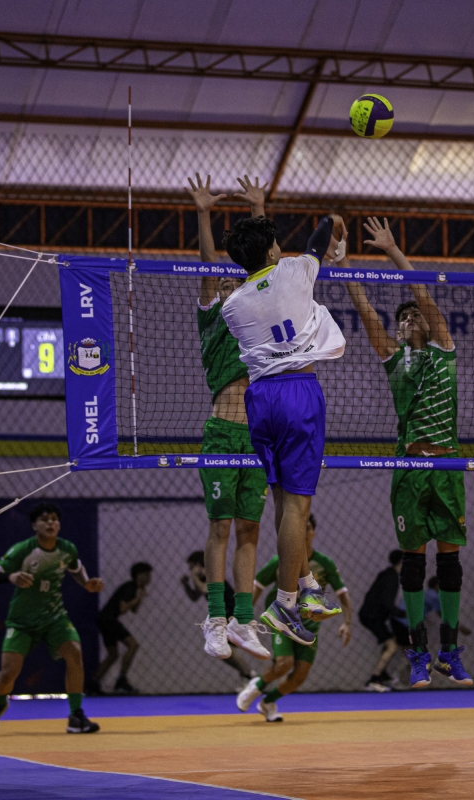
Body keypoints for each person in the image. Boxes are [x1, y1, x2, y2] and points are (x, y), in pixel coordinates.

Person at [344, 217, 471, 689]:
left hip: (448, 464)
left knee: (450, 561)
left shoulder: (444, 349)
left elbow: (423, 294)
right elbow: (366, 313)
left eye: (415, 315)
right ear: (397, 333)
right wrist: (344, 265)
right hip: (410, 468)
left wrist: (394, 251)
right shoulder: (395, 358)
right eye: (403, 318)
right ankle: (419, 654)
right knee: (413, 563)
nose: (410, 318)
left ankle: (450, 653)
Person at [218, 208, 346, 646]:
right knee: (298, 508)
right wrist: (333, 220)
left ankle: (307, 587)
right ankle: (285, 604)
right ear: (273, 251)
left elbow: (266, 278)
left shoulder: (232, 306)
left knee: (282, 497)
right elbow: (319, 239)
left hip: (259, 400)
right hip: (297, 395)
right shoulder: (294, 271)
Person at [185, 173, 271, 663]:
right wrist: (204, 212)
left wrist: (259, 208)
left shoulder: (254, 314)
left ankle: (244, 620)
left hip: (257, 434)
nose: (226, 282)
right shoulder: (212, 314)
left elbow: (265, 265)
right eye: (221, 282)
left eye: (233, 280)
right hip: (222, 432)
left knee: (250, 532)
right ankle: (215, 620)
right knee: (220, 527)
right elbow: (207, 262)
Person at [0, 503, 103, 734]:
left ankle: (76, 715)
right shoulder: (23, 549)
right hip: (22, 621)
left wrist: (87, 583)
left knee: (74, 652)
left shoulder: (67, 549)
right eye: (45, 519)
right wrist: (12, 576)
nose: (50, 523)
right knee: (8, 674)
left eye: (55, 519)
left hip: (54, 617)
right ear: (34, 525)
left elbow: (76, 568)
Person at [236, 515, 351, 721]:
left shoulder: (324, 563)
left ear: (313, 533)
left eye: (307, 528)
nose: (303, 532)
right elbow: (257, 586)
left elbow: (343, 594)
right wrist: (244, 617)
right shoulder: (280, 560)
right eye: (299, 528)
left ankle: (268, 702)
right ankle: (256, 687)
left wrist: (347, 623)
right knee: (284, 663)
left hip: (309, 626)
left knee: (299, 676)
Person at [180, 551, 259, 683]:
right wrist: (186, 584)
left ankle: (250, 675)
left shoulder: (212, 574)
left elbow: (205, 589)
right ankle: (247, 674)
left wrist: (193, 577)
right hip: (225, 615)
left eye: (192, 566)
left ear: (198, 564)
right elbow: (194, 596)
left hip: (234, 613)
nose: (190, 570)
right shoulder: (202, 578)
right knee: (218, 649)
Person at [93, 562, 153, 695]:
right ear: (140, 575)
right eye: (148, 575)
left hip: (105, 619)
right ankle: (121, 680)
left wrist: (139, 598)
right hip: (109, 619)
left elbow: (134, 610)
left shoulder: (135, 588)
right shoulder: (130, 587)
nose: (150, 578)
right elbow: (123, 608)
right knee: (133, 645)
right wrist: (138, 598)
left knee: (113, 654)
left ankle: (93, 683)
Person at [358, 550, 407, 692]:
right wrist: (402, 613)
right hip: (372, 617)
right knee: (392, 645)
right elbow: (387, 603)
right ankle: (374, 679)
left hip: (371, 615)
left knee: (390, 642)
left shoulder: (387, 574)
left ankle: (383, 674)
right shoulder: (392, 578)